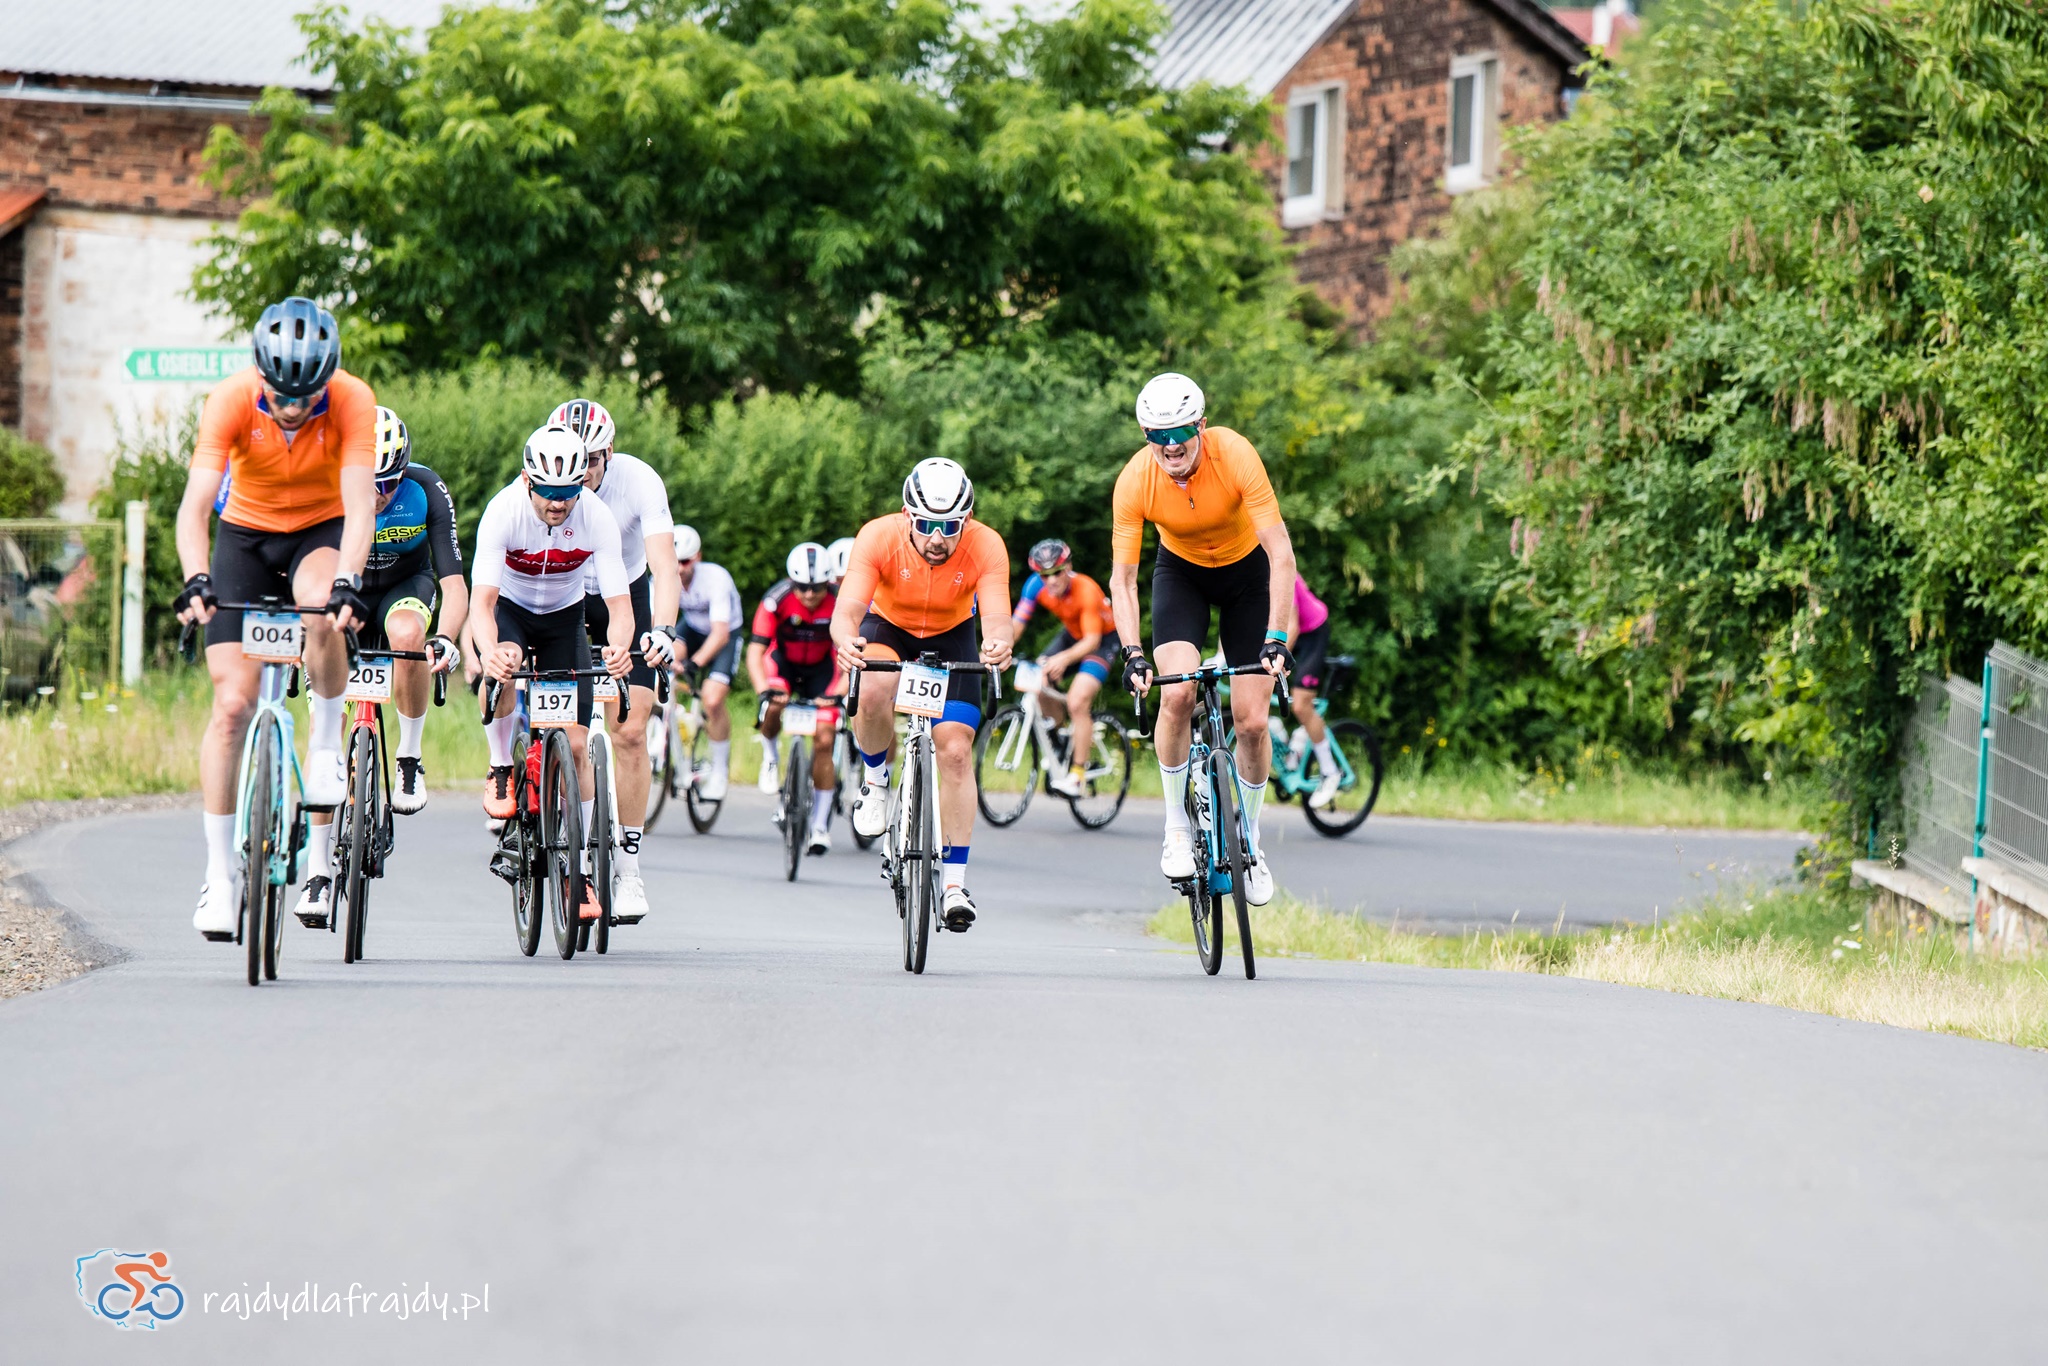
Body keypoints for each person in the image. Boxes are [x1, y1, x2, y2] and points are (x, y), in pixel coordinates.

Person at [171, 297, 377, 940]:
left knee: (321, 608)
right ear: (260, 375)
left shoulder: (353, 400)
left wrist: (348, 583)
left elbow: (360, 507)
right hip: (245, 539)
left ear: (327, 380)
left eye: (306, 396)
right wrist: (196, 579)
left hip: (319, 530)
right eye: (281, 395)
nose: (292, 408)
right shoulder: (230, 400)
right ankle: (219, 875)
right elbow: (194, 507)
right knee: (231, 706)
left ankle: (324, 744)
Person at [1108, 373, 1297, 906]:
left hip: (1247, 577)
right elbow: (1123, 580)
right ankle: (1175, 826)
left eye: (1180, 434)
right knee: (1176, 694)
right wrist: (1132, 652)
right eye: (1157, 436)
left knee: (1252, 722)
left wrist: (1276, 637)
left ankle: (1250, 840)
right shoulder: (1135, 480)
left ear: (1201, 427)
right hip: (1182, 576)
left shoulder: (1234, 454)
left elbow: (1281, 554)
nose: (1170, 446)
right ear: (1146, 436)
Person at [293, 407, 468, 928]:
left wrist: (447, 638)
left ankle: (409, 757)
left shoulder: (426, 490)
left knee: (409, 637)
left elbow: (454, 583)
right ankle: (317, 872)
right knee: (325, 742)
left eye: (389, 483)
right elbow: (297, 566)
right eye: (369, 483)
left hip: (402, 591)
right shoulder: (325, 487)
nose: (379, 495)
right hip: (343, 596)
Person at [831, 458, 1013, 930]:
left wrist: (998, 644)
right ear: (907, 515)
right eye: (927, 524)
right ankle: (875, 781)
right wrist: (846, 640)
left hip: (953, 635)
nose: (937, 538)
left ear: (966, 520)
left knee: (955, 751)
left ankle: (954, 884)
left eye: (949, 527)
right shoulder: (878, 536)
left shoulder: (987, 545)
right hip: (889, 626)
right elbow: (847, 609)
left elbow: (997, 618)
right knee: (873, 687)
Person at [471, 426, 635, 920]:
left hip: (565, 619)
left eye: (568, 491)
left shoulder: (597, 517)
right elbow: (482, 603)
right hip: (512, 612)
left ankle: (579, 872)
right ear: (528, 480)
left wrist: (619, 647)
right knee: (503, 669)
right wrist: (489, 652)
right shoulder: (503, 511)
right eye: (547, 491)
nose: (559, 503)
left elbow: (619, 604)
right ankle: (502, 765)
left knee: (578, 746)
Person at [553, 398, 680, 923]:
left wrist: (664, 630)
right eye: (572, 460)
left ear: (610, 452)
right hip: (560, 598)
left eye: (590, 461)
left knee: (629, 731)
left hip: (624, 596)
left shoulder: (639, 480)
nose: (580, 473)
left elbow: (665, 567)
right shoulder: (545, 481)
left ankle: (628, 869)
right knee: (563, 725)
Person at [747, 542, 843, 853]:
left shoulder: (840, 602)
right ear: (792, 581)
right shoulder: (776, 600)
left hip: (823, 670)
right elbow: (756, 650)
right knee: (773, 704)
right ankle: (771, 758)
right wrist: (763, 689)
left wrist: (837, 695)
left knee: (825, 739)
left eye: (817, 587)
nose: (810, 594)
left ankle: (819, 826)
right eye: (802, 587)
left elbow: (851, 657)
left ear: (828, 582)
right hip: (784, 665)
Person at [1010, 537, 1119, 796]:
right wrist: (997, 650)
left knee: (1077, 701)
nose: (1051, 580)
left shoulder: (1086, 590)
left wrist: (1063, 659)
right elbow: (1016, 624)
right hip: (1072, 635)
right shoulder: (1034, 585)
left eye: (1057, 572)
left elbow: (1092, 641)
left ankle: (1078, 775)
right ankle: (1060, 742)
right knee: (1038, 680)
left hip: (1102, 640)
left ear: (1068, 566)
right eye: (1044, 575)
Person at [671, 526, 742, 800]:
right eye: (674, 561)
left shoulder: (716, 579)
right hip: (691, 628)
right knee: (660, 664)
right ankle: (671, 723)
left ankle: (720, 771)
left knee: (712, 700)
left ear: (697, 557)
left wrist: (695, 663)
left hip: (724, 634)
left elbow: (720, 633)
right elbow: (654, 623)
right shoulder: (663, 577)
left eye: (685, 561)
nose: (679, 568)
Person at [1285, 576, 1341, 809]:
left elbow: (1293, 626)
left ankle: (1330, 771)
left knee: (1301, 705)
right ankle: (1296, 741)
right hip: (1289, 632)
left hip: (1312, 634)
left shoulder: (1277, 568)